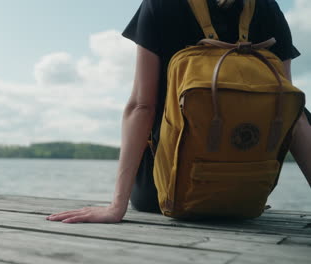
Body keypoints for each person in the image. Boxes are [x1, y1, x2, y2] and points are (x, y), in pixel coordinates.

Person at [46, 0, 311, 224]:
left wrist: (116, 207)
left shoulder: (162, 4)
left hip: (162, 195)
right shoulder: (267, 7)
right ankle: (232, 192)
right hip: (246, 195)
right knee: (296, 105)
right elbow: (292, 114)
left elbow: (142, 105)